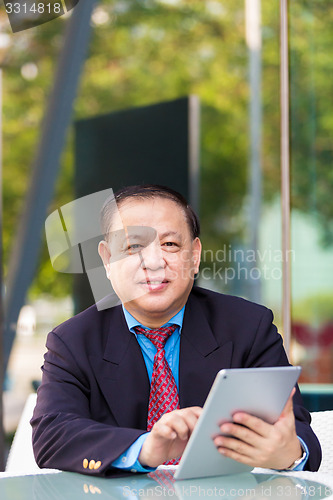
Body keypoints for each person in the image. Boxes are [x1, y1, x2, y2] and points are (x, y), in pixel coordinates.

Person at [31, 184, 321, 476]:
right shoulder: (73, 341)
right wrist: (145, 448)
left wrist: (290, 455)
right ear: (107, 260)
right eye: (133, 247)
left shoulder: (248, 326)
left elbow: (296, 432)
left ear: (194, 256)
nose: (154, 262)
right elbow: (52, 436)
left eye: (170, 244)